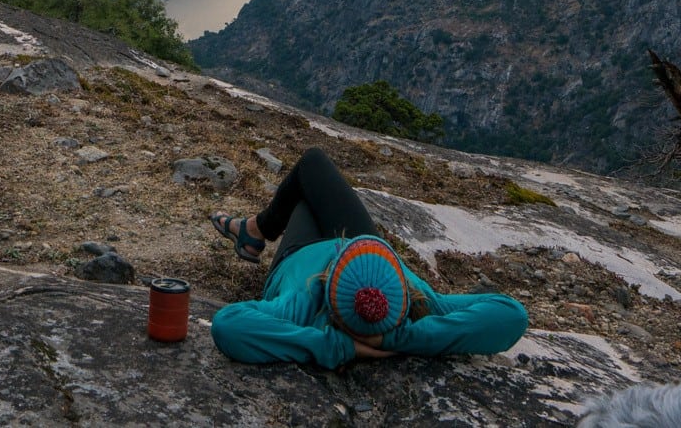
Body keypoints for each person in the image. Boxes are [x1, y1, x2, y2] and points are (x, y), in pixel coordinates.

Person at [207, 147, 528, 368]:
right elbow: (512, 315)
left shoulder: (302, 302)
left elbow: (228, 326)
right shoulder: (420, 303)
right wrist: (402, 338)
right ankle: (252, 229)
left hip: (299, 255)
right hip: (368, 252)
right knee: (313, 168)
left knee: (309, 179)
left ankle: (253, 230)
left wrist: (335, 347)